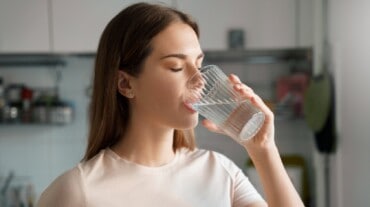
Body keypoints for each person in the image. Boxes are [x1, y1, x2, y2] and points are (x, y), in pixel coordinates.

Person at [37, 2, 304, 207]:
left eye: (199, 64)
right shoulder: (78, 190)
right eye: (176, 67)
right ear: (126, 85)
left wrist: (263, 150)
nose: (199, 80)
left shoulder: (219, 172)